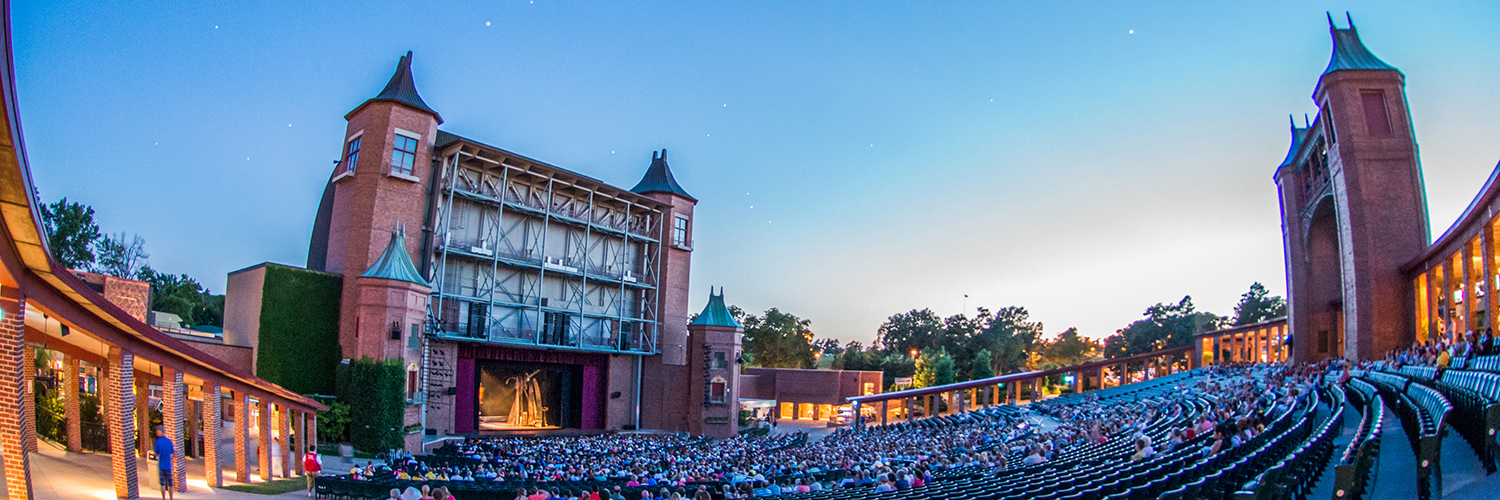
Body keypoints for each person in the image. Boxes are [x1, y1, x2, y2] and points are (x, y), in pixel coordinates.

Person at [153, 425, 176, 500]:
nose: (156, 433)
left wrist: (156, 456)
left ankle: (164, 498)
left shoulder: (158, 441)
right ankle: (171, 498)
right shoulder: (169, 441)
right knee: (170, 483)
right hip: (168, 465)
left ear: (160, 431)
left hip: (161, 465)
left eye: (157, 431)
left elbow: (155, 453)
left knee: (162, 483)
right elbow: (173, 453)